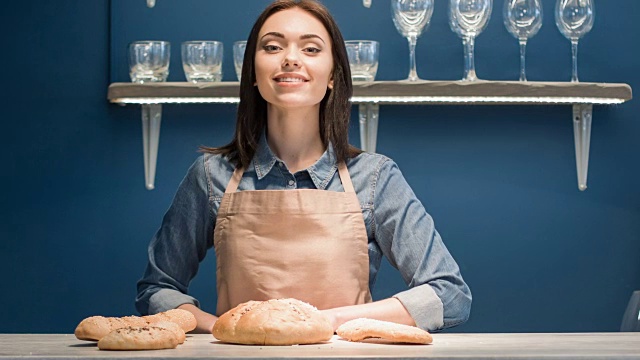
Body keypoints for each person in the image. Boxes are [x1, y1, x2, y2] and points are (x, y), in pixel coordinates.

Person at [136, 0, 471, 334]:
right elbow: (156, 290)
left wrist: (329, 322)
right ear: (253, 72)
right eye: (272, 46)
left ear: (332, 76)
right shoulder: (210, 176)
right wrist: (222, 328)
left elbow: (449, 295)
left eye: (311, 48)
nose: (291, 58)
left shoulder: (375, 178)